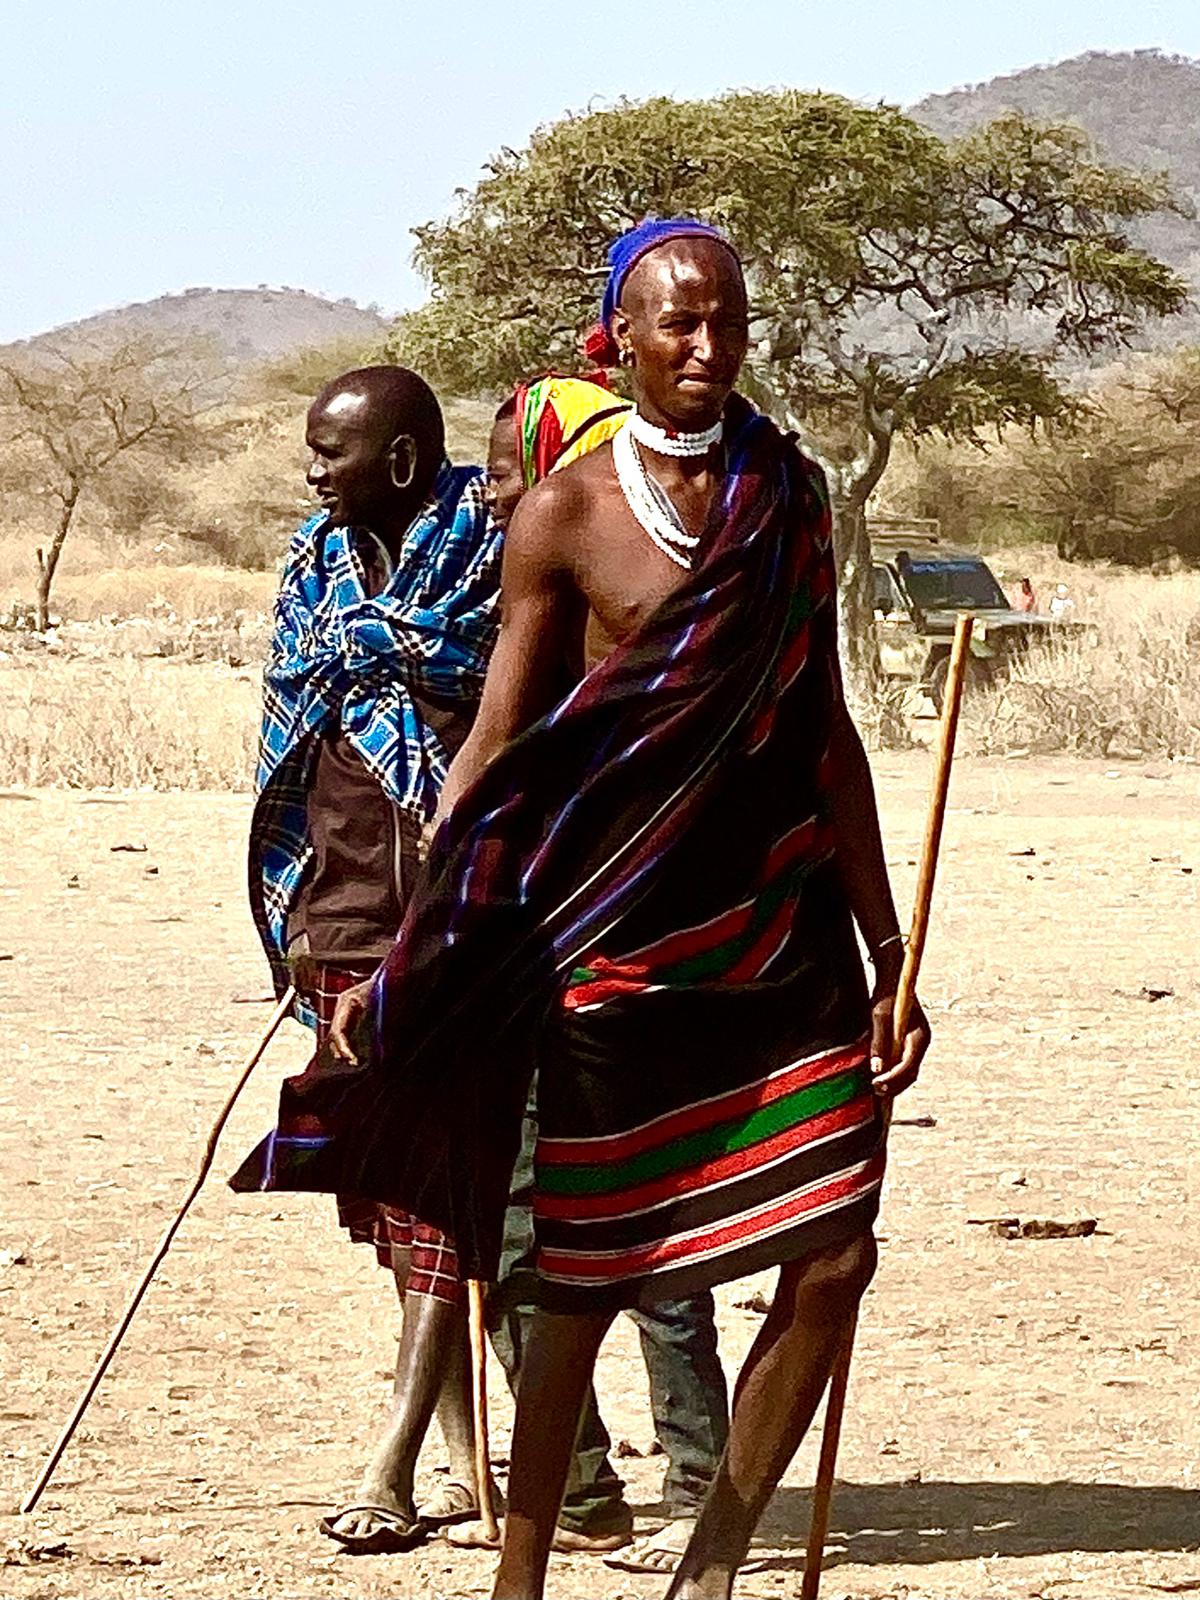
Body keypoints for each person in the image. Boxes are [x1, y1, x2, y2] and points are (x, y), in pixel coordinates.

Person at [257, 219, 930, 1600]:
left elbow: (826, 728)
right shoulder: (567, 513)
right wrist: (424, 950)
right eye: (678, 325)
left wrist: (887, 944)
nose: (707, 348)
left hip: (778, 934)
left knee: (838, 1249)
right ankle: (523, 1574)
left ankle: (717, 1565)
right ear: (619, 341)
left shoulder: (788, 496)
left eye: (728, 321)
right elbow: (499, 739)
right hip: (612, 942)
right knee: (579, 1273)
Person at [235, 365, 503, 1553]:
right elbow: (287, 760)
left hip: (454, 923)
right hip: (337, 911)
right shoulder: (314, 572)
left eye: (329, 453)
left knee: (440, 1184)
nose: (311, 473)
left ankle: (390, 1466)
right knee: (387, 1189)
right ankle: (461, 1462)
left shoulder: (497, 563)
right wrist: (295, 926)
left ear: (398, 463)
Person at [474, 375, 731, 1576]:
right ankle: (584, 1486)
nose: (497, 497)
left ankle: (666, 1486)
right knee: (546, 1224)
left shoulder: (614, 583)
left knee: (609, 1226)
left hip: (619, 936)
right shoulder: (523, 585)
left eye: (509, 473)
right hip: (537, 934)